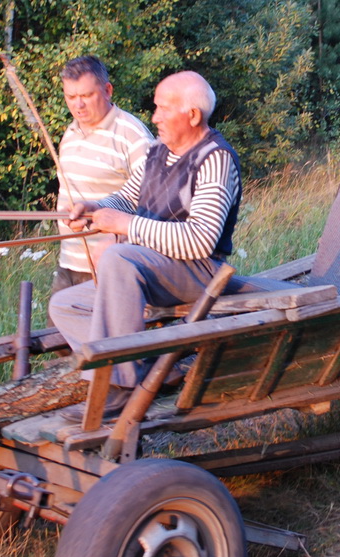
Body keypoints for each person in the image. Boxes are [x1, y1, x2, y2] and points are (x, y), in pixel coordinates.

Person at [48, 70, 241, 420]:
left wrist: (126, 226)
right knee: (65, 305)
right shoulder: (157, 152)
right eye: (156, 108)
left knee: (120, 257)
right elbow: (127, 198)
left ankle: (119, 389)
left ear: (193, 115)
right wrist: (97, 209)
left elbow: (201, 239)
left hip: (199, 272)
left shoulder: (214, 158)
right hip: (152, 265)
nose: (155, 117)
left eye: (163, 109)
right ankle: (148, 367)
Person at [52, 55, 152, 293]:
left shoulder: (133, 135)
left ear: (107, 91)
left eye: (87, 95)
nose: (78, 105)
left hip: (110, 266)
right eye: (71, 97)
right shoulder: (70, 132)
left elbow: (154, 203)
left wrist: (119, 240)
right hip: (68, 262)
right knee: (55, 330)